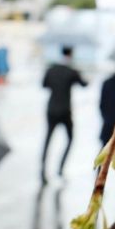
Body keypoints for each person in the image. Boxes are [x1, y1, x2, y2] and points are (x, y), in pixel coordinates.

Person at [41, 46, 87, 184]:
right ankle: (60, 168)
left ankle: (42, 172)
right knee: (70, 138)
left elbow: (44, 85)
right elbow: (84, 84)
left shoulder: (52, 69)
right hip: (65, 111)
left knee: (47, 141)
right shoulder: (72, 71)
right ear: (71, 54)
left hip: (51, 109)